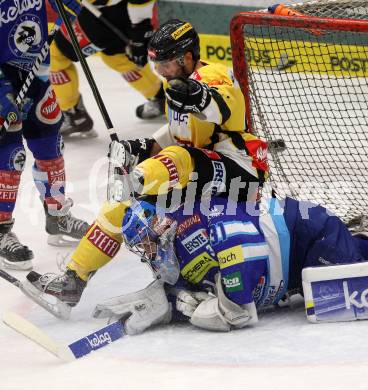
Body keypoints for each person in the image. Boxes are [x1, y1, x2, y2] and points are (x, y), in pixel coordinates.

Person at [25, 194, 368, 332]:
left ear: (161, 227)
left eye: (146, 242)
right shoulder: (174, 240)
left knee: (335, 295)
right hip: (288, 268)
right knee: (314, 297)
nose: (147, 252)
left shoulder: (211, 226)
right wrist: (170, 300)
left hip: (315, 237)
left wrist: (194, 307)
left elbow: (239, 312)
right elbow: (198, 285)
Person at [108, 18, 268, 204]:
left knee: (178, 158)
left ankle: (137, 185)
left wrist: (200, 96)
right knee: (133, 207)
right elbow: (182, 133)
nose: (160, 71)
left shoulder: (213, 75)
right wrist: (144, 148)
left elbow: (223, 105)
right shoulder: (175, 80)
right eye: (157, 65)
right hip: (202, 169)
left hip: (242, 169)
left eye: (165, 64)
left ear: (187, 58)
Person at [0, 0, 90, 271]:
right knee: (10, 154)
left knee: (51, 144)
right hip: (3, 78)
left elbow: (58, 9)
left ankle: (57, 216)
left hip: (36, 74)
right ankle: (1, 229)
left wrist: (68, 6)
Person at [48, 0, 165, 136]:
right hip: (117, 11)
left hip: (117, 13)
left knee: (54, 54)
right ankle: (160, 96)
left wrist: (141, 32)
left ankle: (73, 114)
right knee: (115, 56)